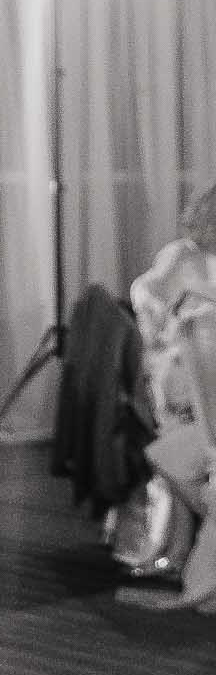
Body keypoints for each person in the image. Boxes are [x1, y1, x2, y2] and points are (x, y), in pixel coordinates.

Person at [122, 184, 216, 613]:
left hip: (201, 375)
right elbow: (146, 290)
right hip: (186, 372)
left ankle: (183, 549)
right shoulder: (182, 256)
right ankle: (179, 548)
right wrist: (157, 316)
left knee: (185, 450)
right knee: (179, 446)